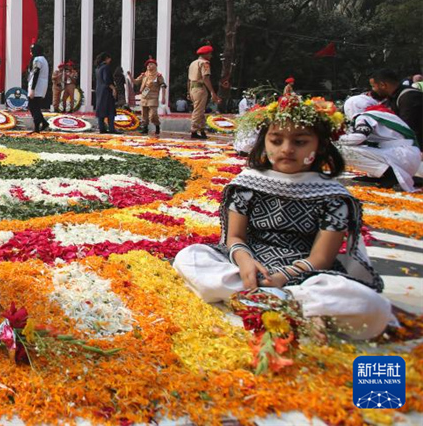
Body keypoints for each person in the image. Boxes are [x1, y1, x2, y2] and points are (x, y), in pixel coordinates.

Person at [173, 95, 392, 340]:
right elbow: (235, 237)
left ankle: (271, 299)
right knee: (190, 257)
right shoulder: (247, 184)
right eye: (276, 141)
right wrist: (245, 262)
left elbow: (321, 257)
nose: (286, 149)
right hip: (250, 266)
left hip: (306, 275)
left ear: (320, 146)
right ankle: (289, 305)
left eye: (300, 142)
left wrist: (282, 277)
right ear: (264, 142)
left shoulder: (333, 196)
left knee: (369, 304)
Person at [339, 94, 421, 192]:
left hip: (401, 156)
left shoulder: (365, 117)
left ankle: (390, 175)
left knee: (341, 151)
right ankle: (379, 175)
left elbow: (359, 137)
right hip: (409, 157)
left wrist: (336, 140)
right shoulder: (382, 114)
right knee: (364, 147)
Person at [369, 69, 423, 149]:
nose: (373, 90)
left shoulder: (409, 98)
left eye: (373, 86)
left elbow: (408, 128)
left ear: (383, 85)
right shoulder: (392, 98)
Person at [188, 45, 221, 139]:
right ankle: (194, 131)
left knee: (200, 110)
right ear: (205, 54)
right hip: (200, 89)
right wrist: (212, 92)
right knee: (198, 111)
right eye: (210, 54)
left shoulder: (193, 63)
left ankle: (202, 130)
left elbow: (189, 80)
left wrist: (188, 92)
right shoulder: (204, 63)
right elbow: (205, 78)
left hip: (192, 88)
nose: (211, 56)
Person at [134, 57, 166, 135]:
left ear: (155, 65)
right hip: (144, 95)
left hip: (153, 96)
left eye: (151, 64)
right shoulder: (144, 75)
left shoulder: (158, 76)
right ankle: (145, 128)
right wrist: (130, 77)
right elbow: (135, 82)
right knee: (144, 114)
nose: (149, 66)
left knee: (153, 115)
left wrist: (163, 97)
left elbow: (163, 86)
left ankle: (157, 125)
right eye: (148, 64)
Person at [27, 43, 50, 133]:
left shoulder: (38, 60)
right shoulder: (43, 59)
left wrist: (32, 89)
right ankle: (43, 123)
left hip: (37, 85)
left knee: (33, 106)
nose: (30, 52)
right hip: (40, 85)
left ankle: (37, 127)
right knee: (35, 106)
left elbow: (36, 74)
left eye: (31, 50)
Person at [94, 52, 116, 134]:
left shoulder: (98, 68)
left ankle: (101, 128)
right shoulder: (106, 67)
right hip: (106, 91)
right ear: (107, 58)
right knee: (110, 110)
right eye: (109, 59)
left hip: (99, 90)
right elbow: (107, 80)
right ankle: (111, 128)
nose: (110, 61)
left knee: (101, 110)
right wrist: (113, 89)